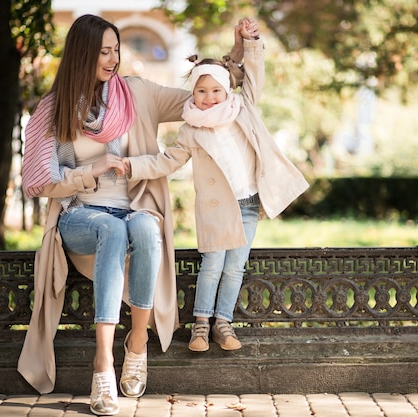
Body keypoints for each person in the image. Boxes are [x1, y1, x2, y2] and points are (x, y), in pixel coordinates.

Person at [17, 14, 247, 416]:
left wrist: (238, 53)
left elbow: (204, 93)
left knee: (142, 226)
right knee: (110, 227)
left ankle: (136, 343)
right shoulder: (54, 109)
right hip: (80, 215)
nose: (113, 59)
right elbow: (43, 181)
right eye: (103, 51)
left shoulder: (137, 93)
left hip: (133, 208)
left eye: (116, 49)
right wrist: (91, 170)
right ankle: (103, 364)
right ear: (82, 54)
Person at [121, 18, 309, 353]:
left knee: (235, 266)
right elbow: (167, 161)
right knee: (212, 266)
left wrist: (250, 42)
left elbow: (254, 74)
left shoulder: (242, 108)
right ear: (192, 93)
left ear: (227, 90)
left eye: (216, 90)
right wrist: (130, 165)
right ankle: (201, 326)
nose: (209, 98)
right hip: (216, 208)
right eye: (201, 91)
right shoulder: (191, 129)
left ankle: (224, 323)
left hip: (249, 203)